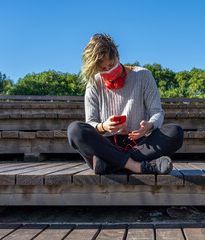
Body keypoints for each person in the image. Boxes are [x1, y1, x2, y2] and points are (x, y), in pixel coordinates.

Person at [67, 33, 183, 174]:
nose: (108, 71)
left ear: (118, 56)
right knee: (74, 130)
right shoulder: (93, 83)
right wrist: (103, 126)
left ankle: (110, 164)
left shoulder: (143, 75)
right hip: (106, 145)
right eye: (103, 69)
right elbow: (90, 122)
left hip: (139, 144)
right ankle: (139, 166)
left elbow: (157, 112)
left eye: (111, 65)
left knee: (176, 132)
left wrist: (149, 125)